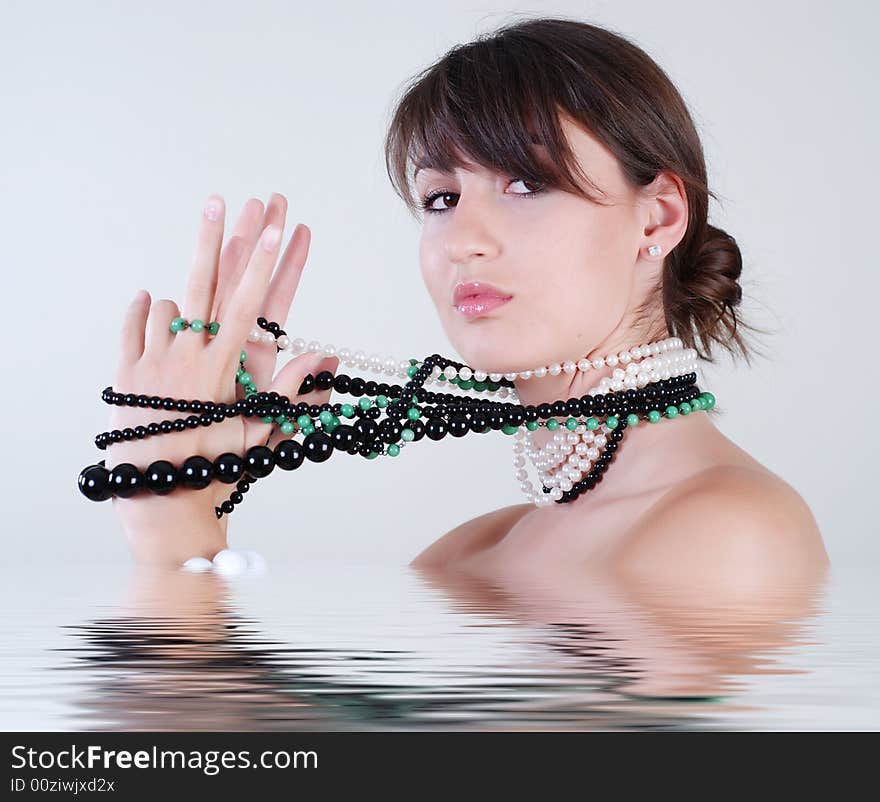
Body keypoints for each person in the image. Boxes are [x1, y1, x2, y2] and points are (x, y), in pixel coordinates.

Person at [104, 17, 829, 595]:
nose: (463, 240)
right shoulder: (469, 557)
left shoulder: (732, 536)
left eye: (525, 183)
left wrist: (175, 530)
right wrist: (182, 509)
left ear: (659, 218)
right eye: (442, 199)